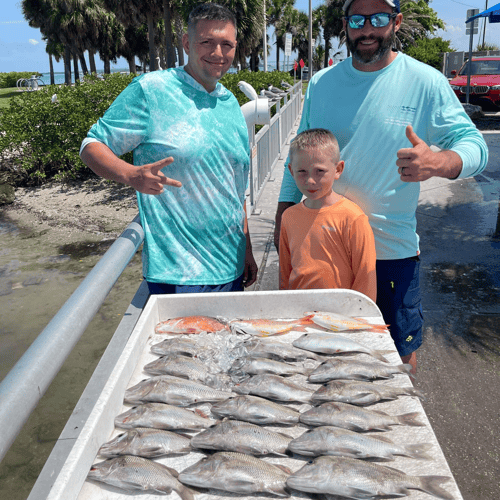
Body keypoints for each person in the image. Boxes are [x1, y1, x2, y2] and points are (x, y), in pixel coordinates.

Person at [274, 0, 489, 373]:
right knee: (321, 360)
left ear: (397, 21)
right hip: (323, 252)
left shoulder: (424, 81)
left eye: (378, 18)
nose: (367, 29)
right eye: (357, 19)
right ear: (346, 24)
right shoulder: (322, 83)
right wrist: (283, 217)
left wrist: (439, 163)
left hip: (391, 254)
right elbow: (300, 155)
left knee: (396, 360)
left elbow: (475, 146)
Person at [80, 3, 258, 294]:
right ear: (187, 43)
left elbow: (236, 191)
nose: (217, 53)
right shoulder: (152, 90)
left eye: (226, 44)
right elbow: (92, 145)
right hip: (179, 273)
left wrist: (246, 249)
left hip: (232, 266)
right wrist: (130, 174)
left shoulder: (230, 105)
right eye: (207, 42)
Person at [279, 128, 377, 303]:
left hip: (341, 313)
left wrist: (359, 318)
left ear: (338, 169)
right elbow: (284, 273)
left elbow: (365, 278)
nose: (310, 180)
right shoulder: (288, 217)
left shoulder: (353, 217)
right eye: (302, 172)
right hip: (299, 311)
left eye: (319, 171)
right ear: (291, 171)